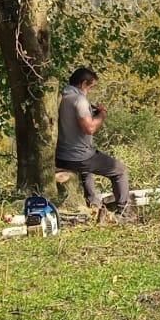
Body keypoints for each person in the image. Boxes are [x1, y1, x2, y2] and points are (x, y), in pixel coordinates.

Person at [55, 66, 135, 219]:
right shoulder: (79, 100)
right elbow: (89, 128)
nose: (90, 91)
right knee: (119, 170)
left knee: (87, 172)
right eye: (90, 87)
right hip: (78, 156)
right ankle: (124, 211)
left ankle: (93, 205)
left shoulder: (62, 96)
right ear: (84, 83)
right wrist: (102, 115)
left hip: (62, 155)